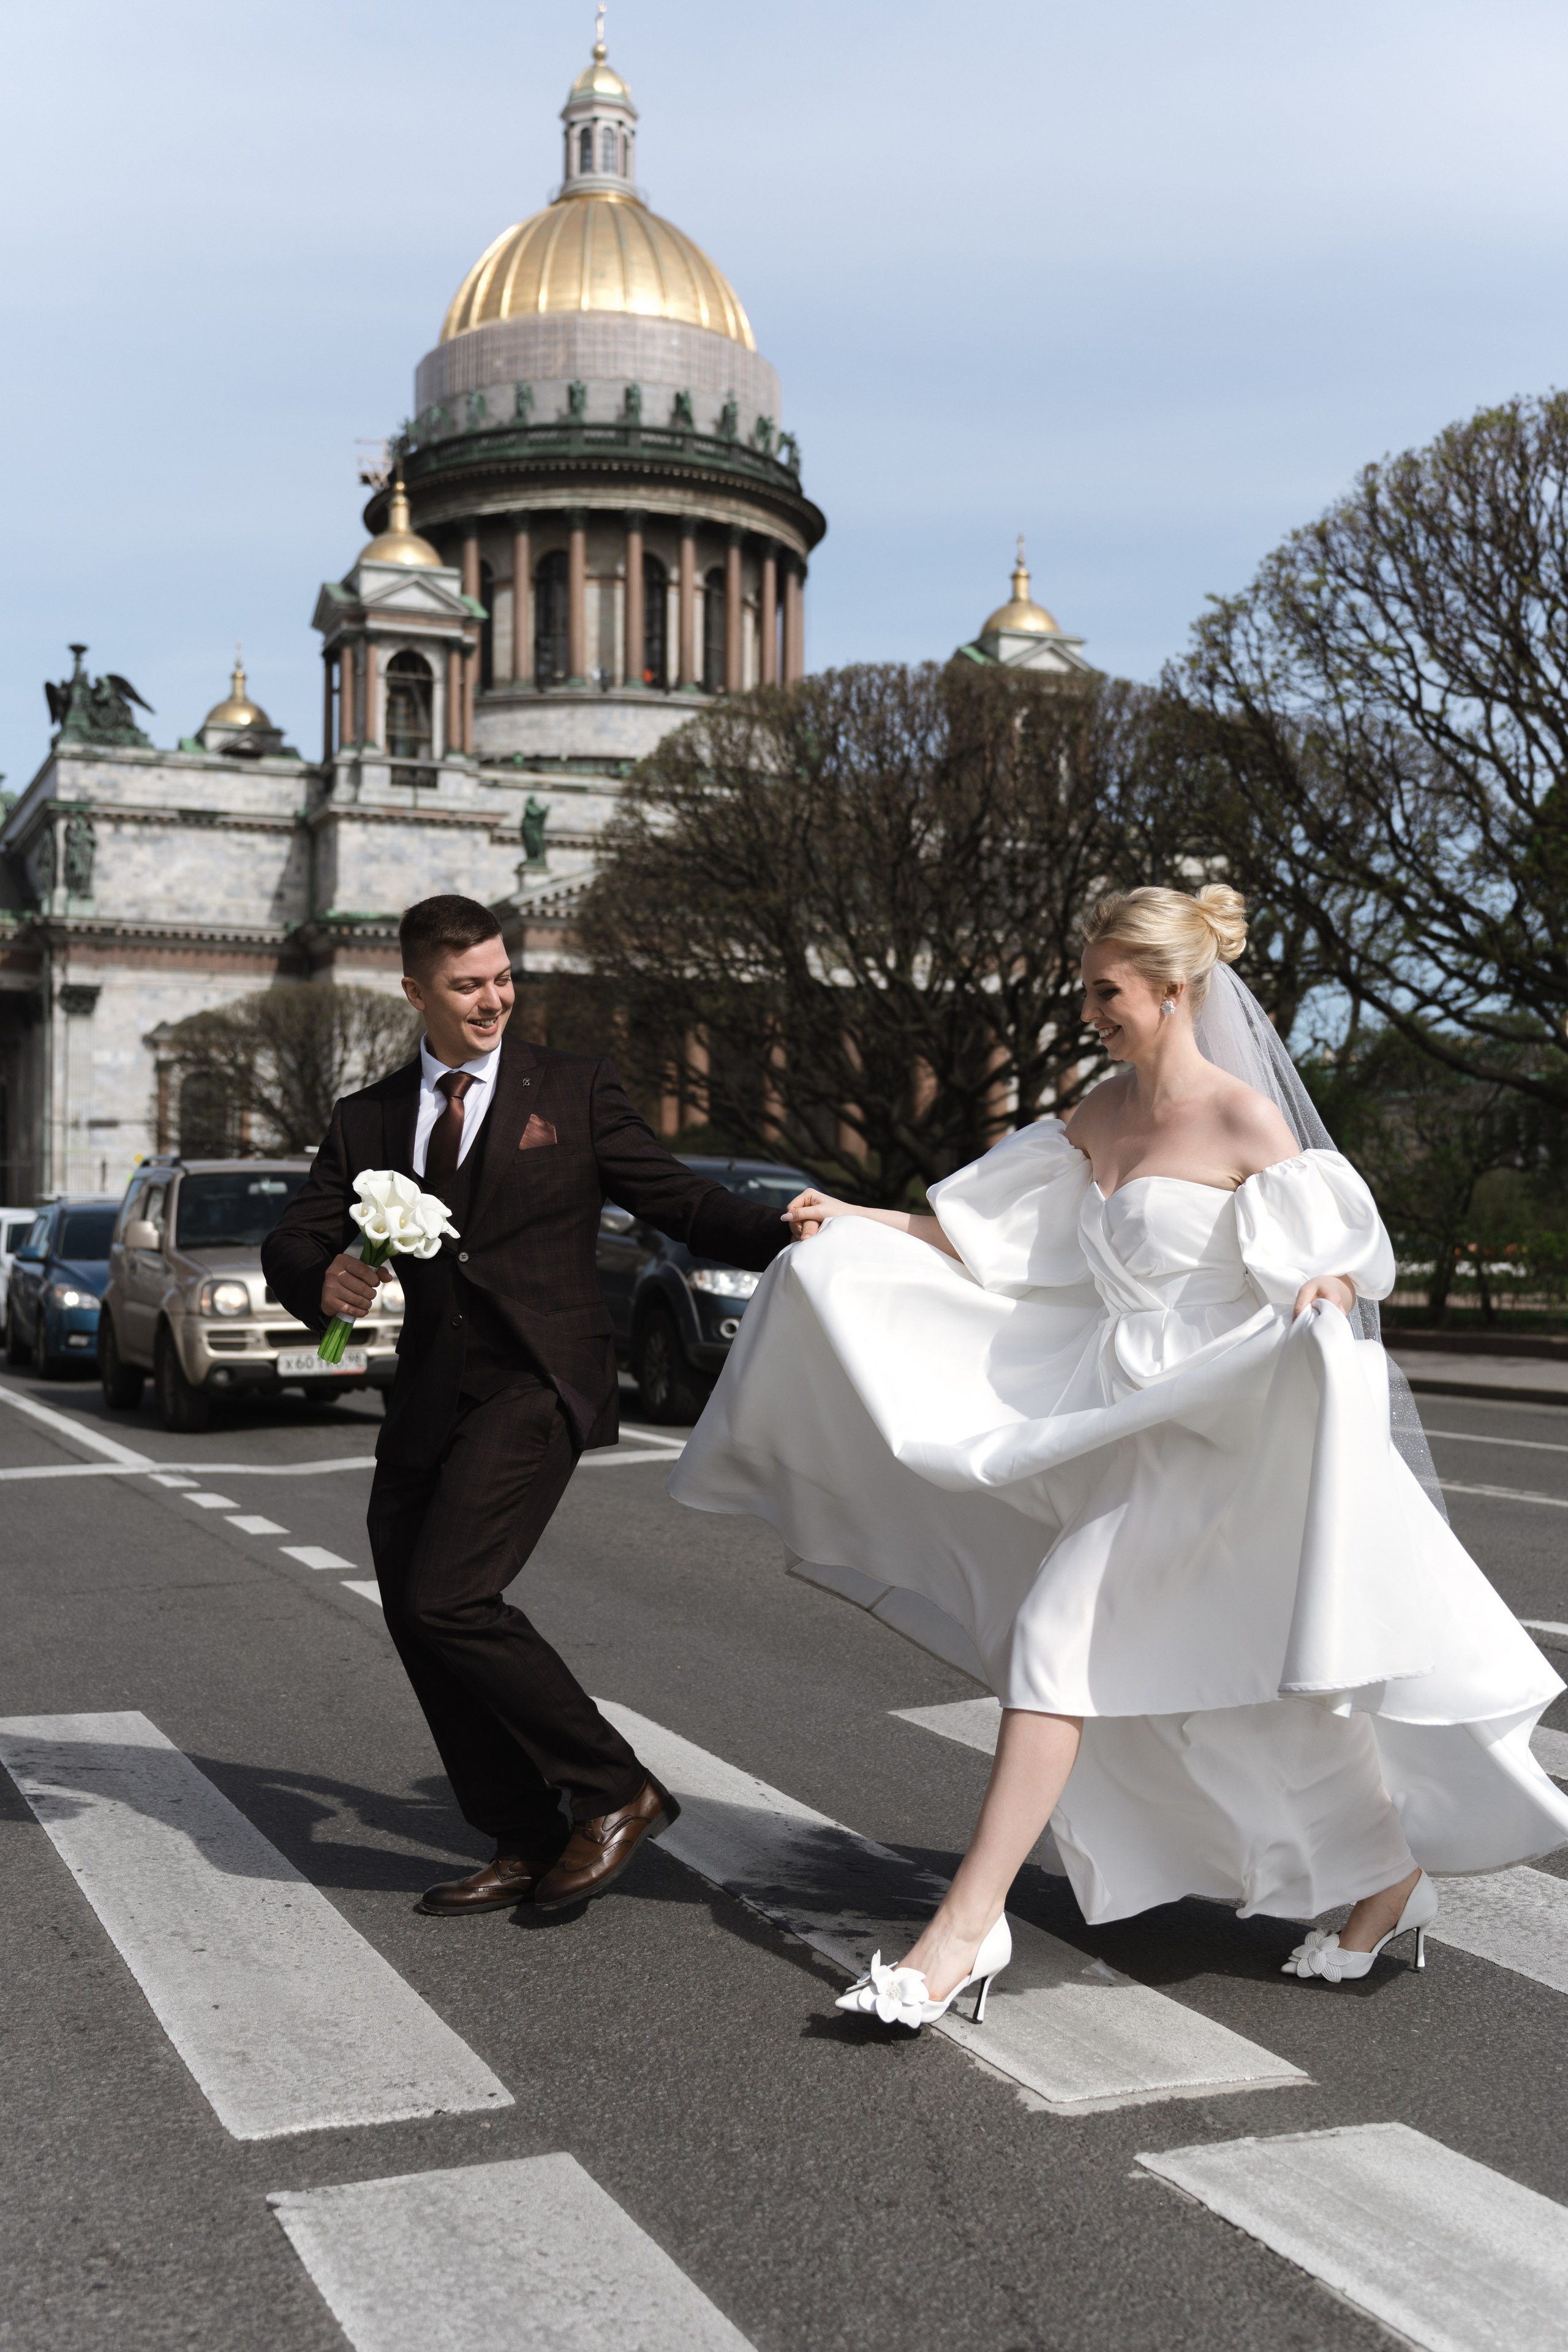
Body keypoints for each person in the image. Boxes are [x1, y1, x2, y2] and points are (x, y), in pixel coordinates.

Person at [673, 884, 1568, 2026]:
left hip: (1218, 1434)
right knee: (1231, 1689)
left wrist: (1328, 1290)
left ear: (1174, 990)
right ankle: (1388, 1874)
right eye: (1089, 988)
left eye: (1107, 991)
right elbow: (987, 1245)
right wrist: (857, 1219)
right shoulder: (1097, 1112)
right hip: (1118, 1421)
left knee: (1061, 1638)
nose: (1089, 1008)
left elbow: (1335, 1261)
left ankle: (964, 1929)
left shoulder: (1244, 1119)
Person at [263, 894, 790, 1916]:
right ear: (417, 992)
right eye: (469, 985)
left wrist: (793, 1234)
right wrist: (317, 1276)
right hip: (425, 1394)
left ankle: (614, 1789)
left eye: (505, 978)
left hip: (541, 1380)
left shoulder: (577, 1088)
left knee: (451, 1596)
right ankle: (521, 1832)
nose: (495, 999)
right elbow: (297, 1233)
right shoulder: (366, 1117)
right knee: (419, 1621)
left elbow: (677, 1198)